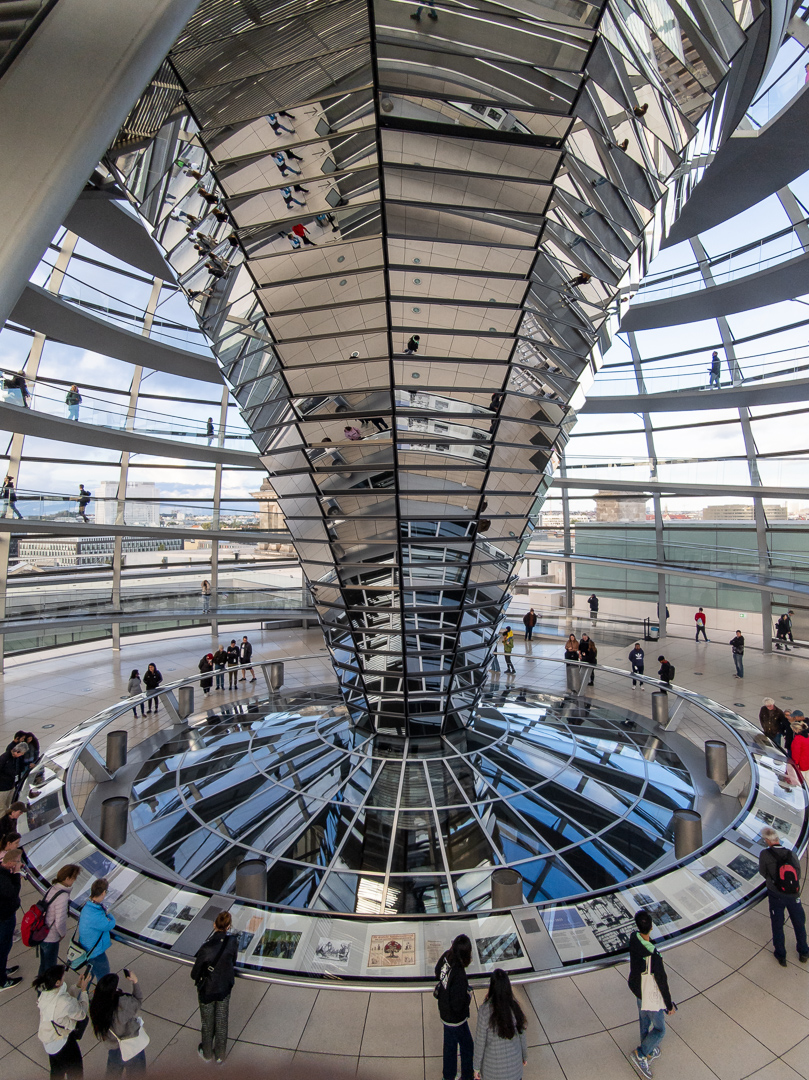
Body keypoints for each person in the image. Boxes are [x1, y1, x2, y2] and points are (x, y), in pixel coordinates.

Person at [627, 909, 676, 1078]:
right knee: (660, 1029)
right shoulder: (654, 956)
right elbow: (662, 983)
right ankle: (641, 1054)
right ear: (652, 926)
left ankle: (647, 1049)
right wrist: (669, 1005)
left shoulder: (634, 938)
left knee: (644, 1020)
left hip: (637, 990)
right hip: (649, 995)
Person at [192, 910, 238, 1063]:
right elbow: (233, 961)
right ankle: (220, 1056)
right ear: (229, 926)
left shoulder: (206, 948)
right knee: (222, 1021)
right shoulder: (232, 942)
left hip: (207, 990)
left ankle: (206, 1053)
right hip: (224, 987)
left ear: (214, 925)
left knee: (207, 1022)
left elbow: (194, 973)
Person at [758, 826, 809, 966]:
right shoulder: (791, 853)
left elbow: (763, 872)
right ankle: (804, 952)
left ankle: (781, 955)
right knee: (799, 923)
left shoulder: (765, 854)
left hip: (776, 895)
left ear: (767, 840)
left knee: (778, 924)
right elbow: (797, 873)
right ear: (778, 839)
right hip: (793, 894)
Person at [34, 964, 91, 1078]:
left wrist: (77, 986)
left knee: (57, 1069)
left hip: (49, 1040)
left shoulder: (46, 993)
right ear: (57, 982)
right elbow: (81, 1013)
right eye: (62, 976)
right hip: (62, 1043)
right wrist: (84, 991)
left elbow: (64, 999)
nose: (64, 977)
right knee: (75, 1070)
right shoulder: (63, 1001)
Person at [473, 968, 527, 1080]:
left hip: (492, 1072)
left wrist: (476, 1067)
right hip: (515, 1071)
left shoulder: (485, 1011)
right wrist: (524, 1056)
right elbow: (522, 1035)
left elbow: (480, 1042)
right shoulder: (515, 1007)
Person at [89, 970, 147, 1075]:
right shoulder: (123, 1004)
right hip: (132, 1047)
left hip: (114, 1049)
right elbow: (138, 1000)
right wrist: (135, 981)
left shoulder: (95, 1005)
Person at [435, 934, 473, 1080]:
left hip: (444, 1011)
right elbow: (458, 1005)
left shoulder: (447, 956)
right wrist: (468, 996)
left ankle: (449, 1075)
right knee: (467, 1046)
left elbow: (437, 972)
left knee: (449, 1046)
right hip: (456, 1019)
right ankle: (467, 1076)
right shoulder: (459, 975)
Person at [39, 864, 81, 976]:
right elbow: (60, 921)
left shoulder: (52, 888)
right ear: (67, 878)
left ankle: (40, 986)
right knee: (50, 968)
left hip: (42, 934)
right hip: (51, 937)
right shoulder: (62, 897)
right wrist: (62, 934)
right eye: (74, 878)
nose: (74, 881)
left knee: (43, 964)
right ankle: (46, 990)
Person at [77, 878, 115, 981]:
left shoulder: (87, 907)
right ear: (103, 893)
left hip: (87, 947)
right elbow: (109, 925)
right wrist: (111, 915)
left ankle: (83, 994)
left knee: (90, 974)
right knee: (104, 978)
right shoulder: (96, 915)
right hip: (96, 952)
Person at [0, 847, 22, 990]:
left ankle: (2, 970)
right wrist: (16, 874)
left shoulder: (4, 873)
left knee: (5, 946)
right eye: (18, 862)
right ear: (11, 863)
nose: (20, 864)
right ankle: (2, 980)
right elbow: (13, 892)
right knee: (3, 947)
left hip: (6, 915)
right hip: (4, 917)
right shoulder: (3, 878)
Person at [0, 743, 26, 812]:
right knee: (2, 807)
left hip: (11, 785)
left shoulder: (16, 758)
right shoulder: (5, 758)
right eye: (21, 753)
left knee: (9, 806)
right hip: (2, 788)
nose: (21, 755)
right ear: (17, 751)